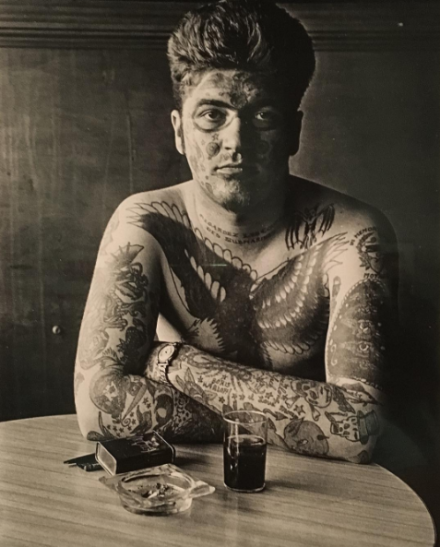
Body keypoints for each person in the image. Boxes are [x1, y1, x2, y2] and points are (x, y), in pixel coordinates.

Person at [74, 0, 398, 464]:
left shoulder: (351, 236)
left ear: (293, 133)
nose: (236, 142)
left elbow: (362, 429)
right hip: (192, 484)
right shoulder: (144, 224)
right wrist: (294, 419)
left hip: (321, 492)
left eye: (263, 116)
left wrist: (173, 363)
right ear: (179, 131)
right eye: (212, 114)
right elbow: (97, 410)